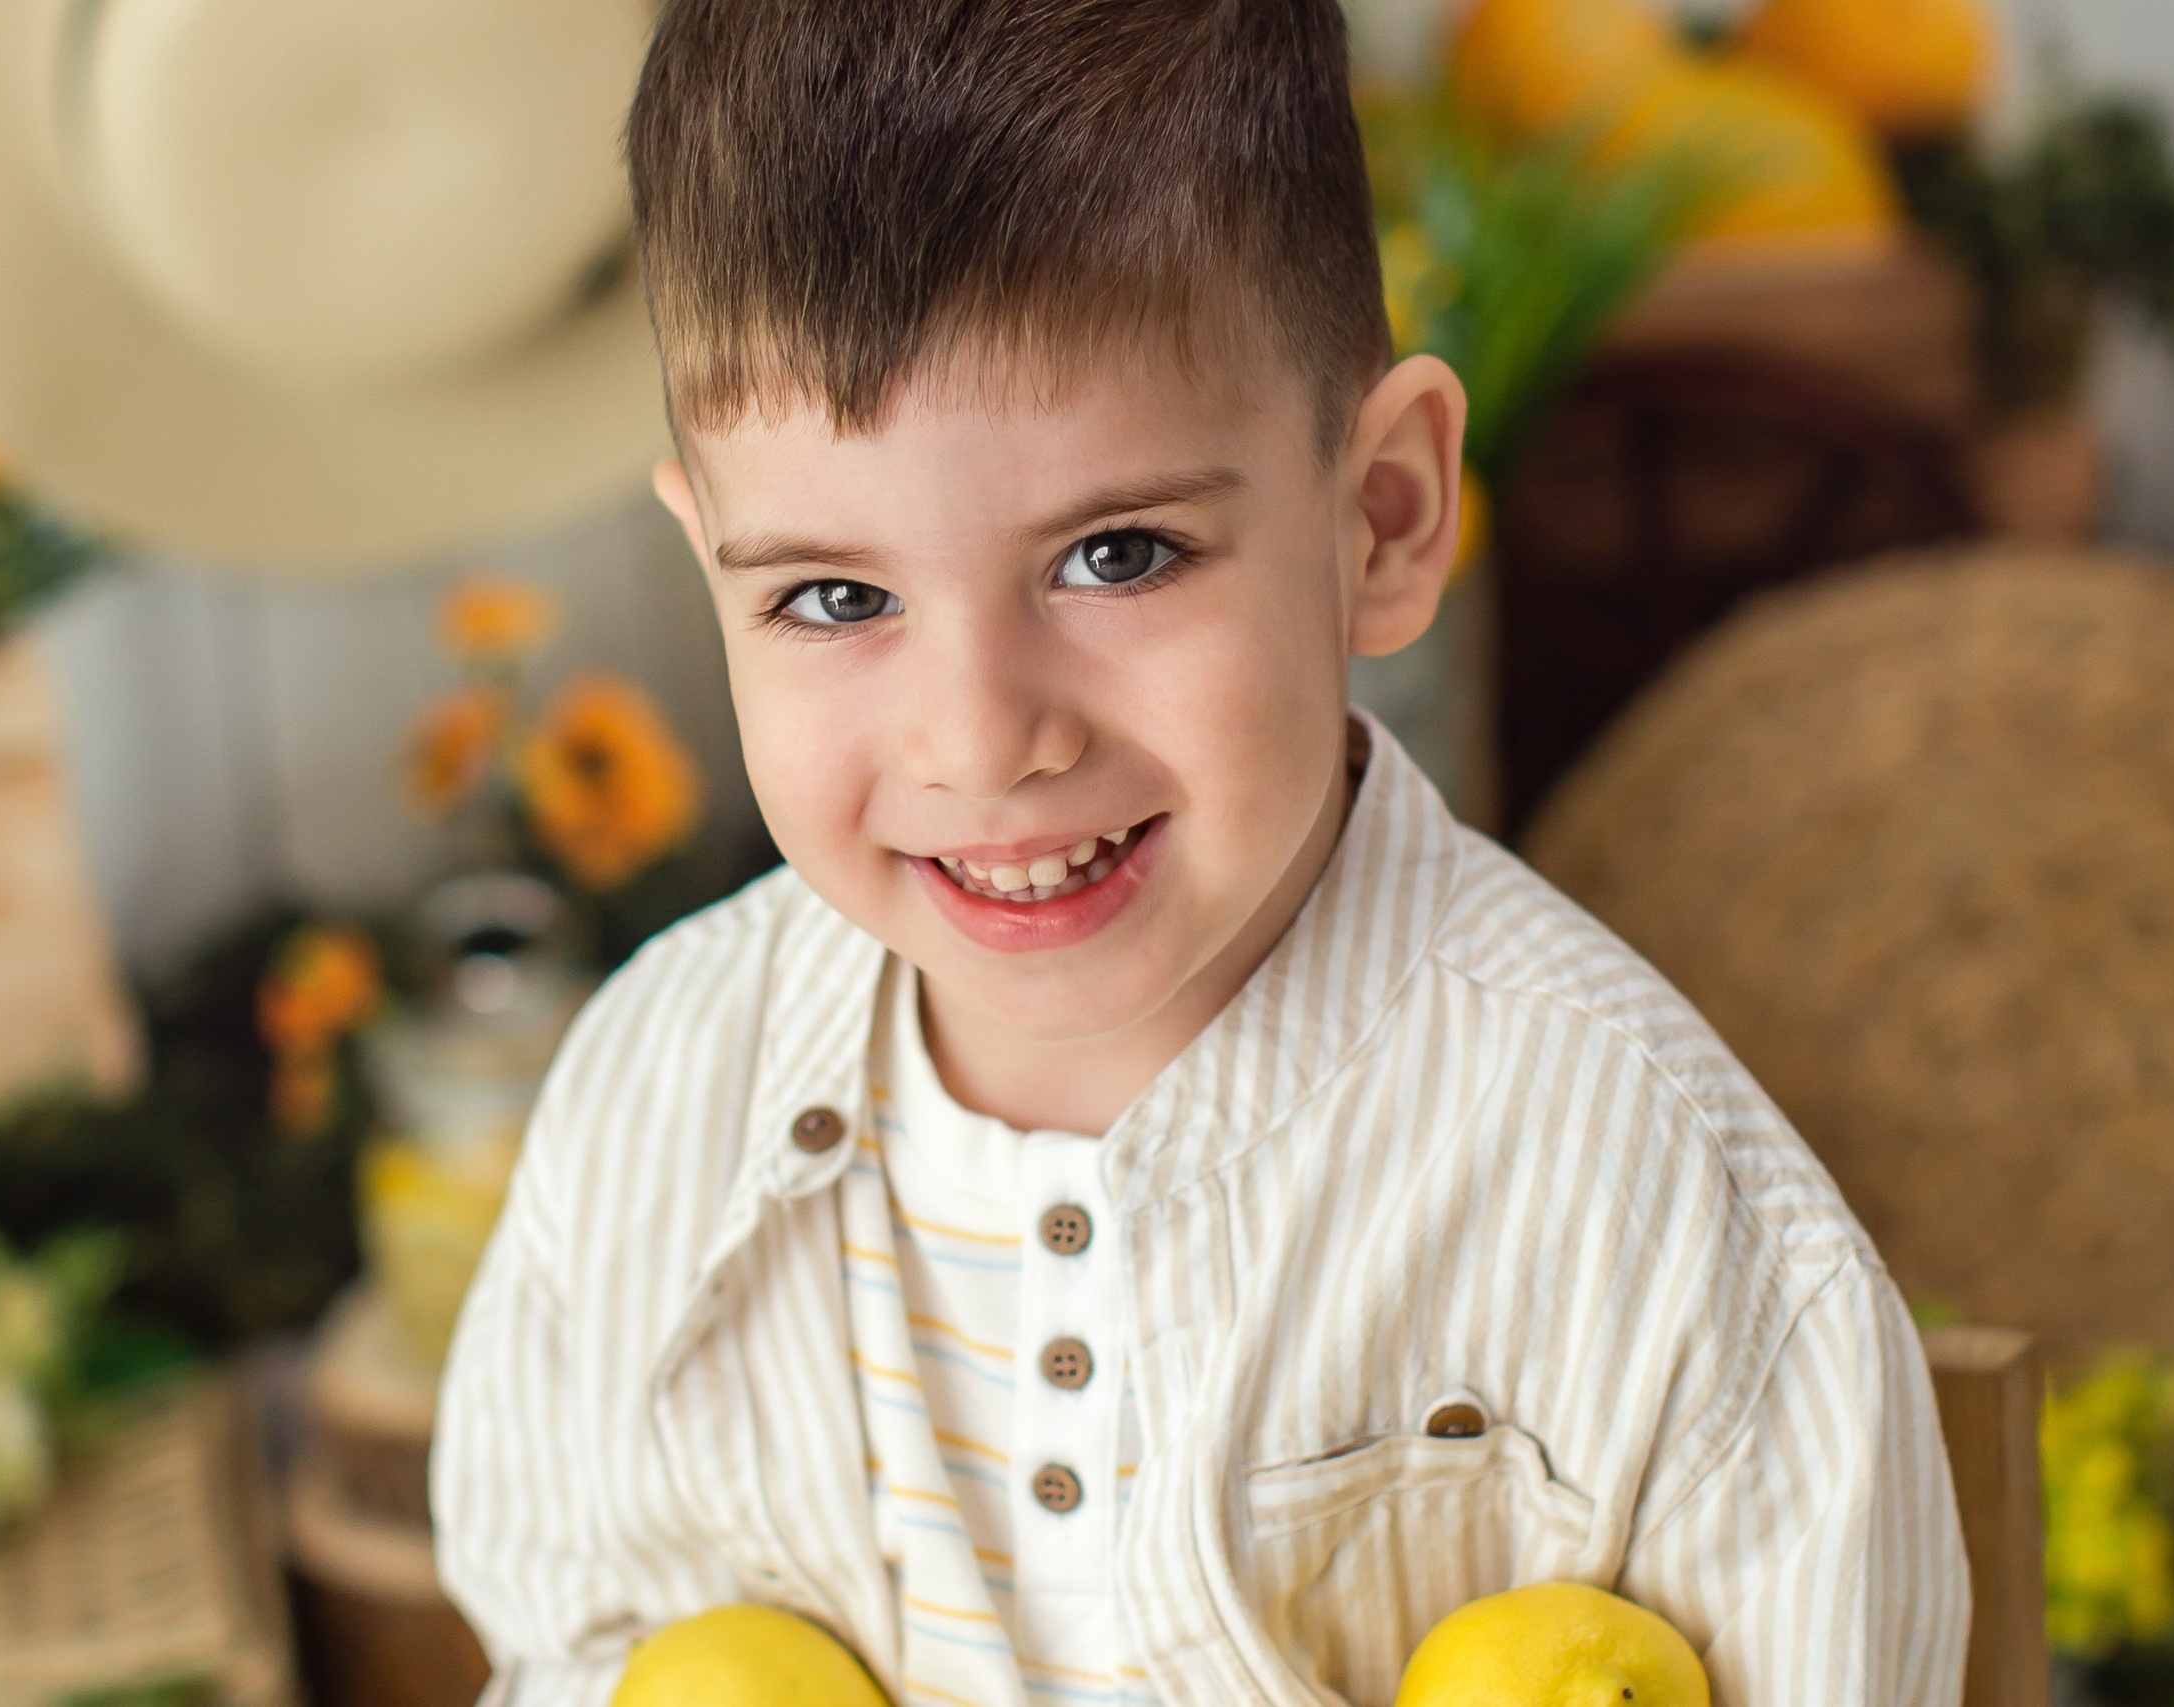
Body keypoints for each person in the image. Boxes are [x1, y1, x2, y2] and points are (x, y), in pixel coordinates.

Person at [432, 1, 1969, 1702]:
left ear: (1380, 516)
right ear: (710, 559)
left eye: (1116, 556)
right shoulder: (652, 1113)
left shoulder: (1645, 1205)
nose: (981, 740)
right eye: (836, 596)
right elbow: (563, 1644)